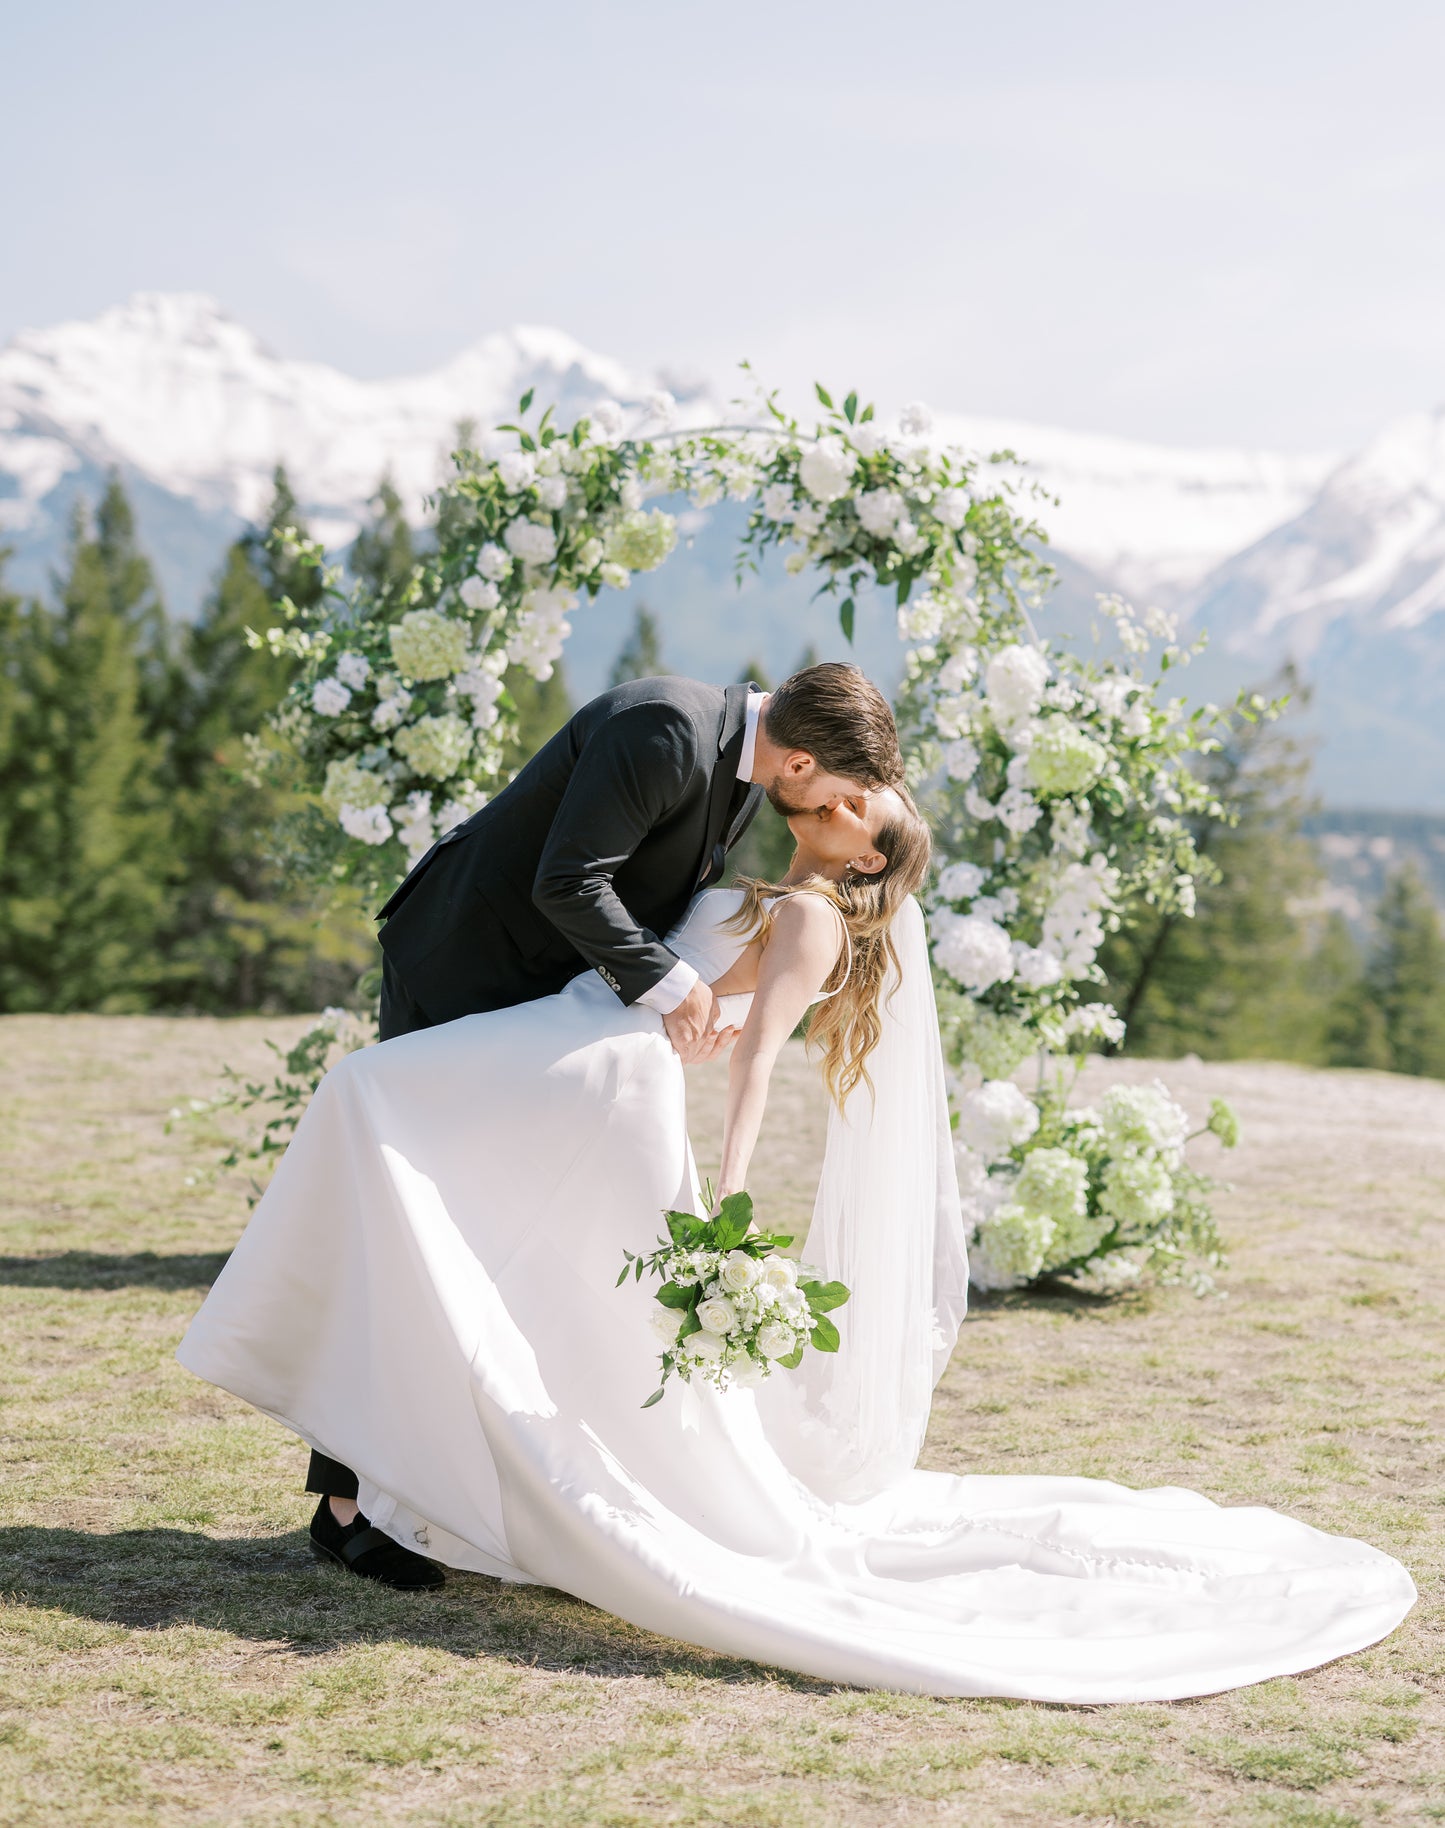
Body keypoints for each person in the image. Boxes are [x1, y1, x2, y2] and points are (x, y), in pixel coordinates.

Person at [178, 768, 1415, 1702]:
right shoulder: (778, 875)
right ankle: (393, 1466)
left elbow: (753, 1060)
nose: (837, 801)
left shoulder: (817, 917)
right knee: (435, 1183)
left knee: (374, 1104)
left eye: (860, 804)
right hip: (582, 1037)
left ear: (867, 849)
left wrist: (714, 1206)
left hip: (610, 1074)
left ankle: (388, 1453)